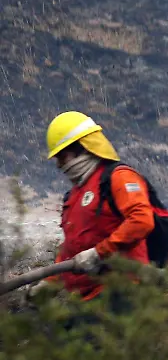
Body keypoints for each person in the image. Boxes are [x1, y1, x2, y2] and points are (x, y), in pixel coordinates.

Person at [27, 111, 156, 312]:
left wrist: (99, 253)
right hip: (90, 298)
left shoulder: (119, 178)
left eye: (62, 156)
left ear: (82, 149)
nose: (59, 165)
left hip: (123, 292)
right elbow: (73, 248)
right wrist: (50, 283)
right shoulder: (75, 195)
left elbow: (141, 221)